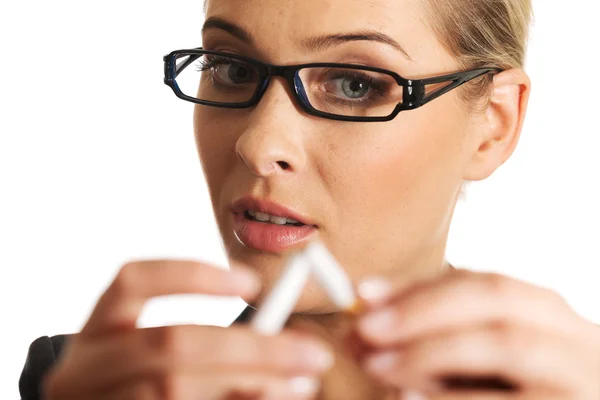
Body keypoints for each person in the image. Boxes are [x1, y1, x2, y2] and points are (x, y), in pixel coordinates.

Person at [19, 0, 600, 399]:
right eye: (230, 66)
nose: (258, 143)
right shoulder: (90, 385)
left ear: (493, 125)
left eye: (355, 84)